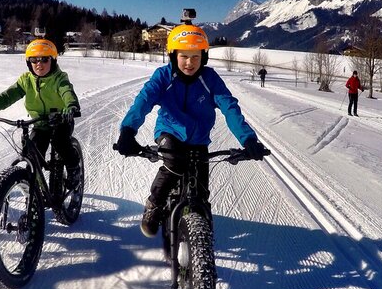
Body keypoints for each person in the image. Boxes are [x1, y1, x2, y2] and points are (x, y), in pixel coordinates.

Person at [115, 24, 268, 238]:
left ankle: (200, 229)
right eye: (184, 56)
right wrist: (128, 131)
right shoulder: (163, 76)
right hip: (170, 132)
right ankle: (154, 204)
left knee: (201, 192)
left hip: (198, 139)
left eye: (195, 57)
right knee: (174, 164)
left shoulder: (210, 79)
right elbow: (143, 101)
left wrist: (248, 139)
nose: (189, 63)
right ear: (173, 55)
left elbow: (229, 108)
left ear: (203, 57)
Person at [0, 38, 82, 185]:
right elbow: (8, 96)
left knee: (60, 142)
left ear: (53, 60)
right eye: (34, 60)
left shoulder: (59, 78)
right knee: (32, 155)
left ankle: (74, 168)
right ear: (28, 62)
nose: (39, 64)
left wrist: (71, 106)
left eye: (44, 59)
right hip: (40, 123)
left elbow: (66, 91)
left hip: (61, 121)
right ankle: (34, 191)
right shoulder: (26, 80)